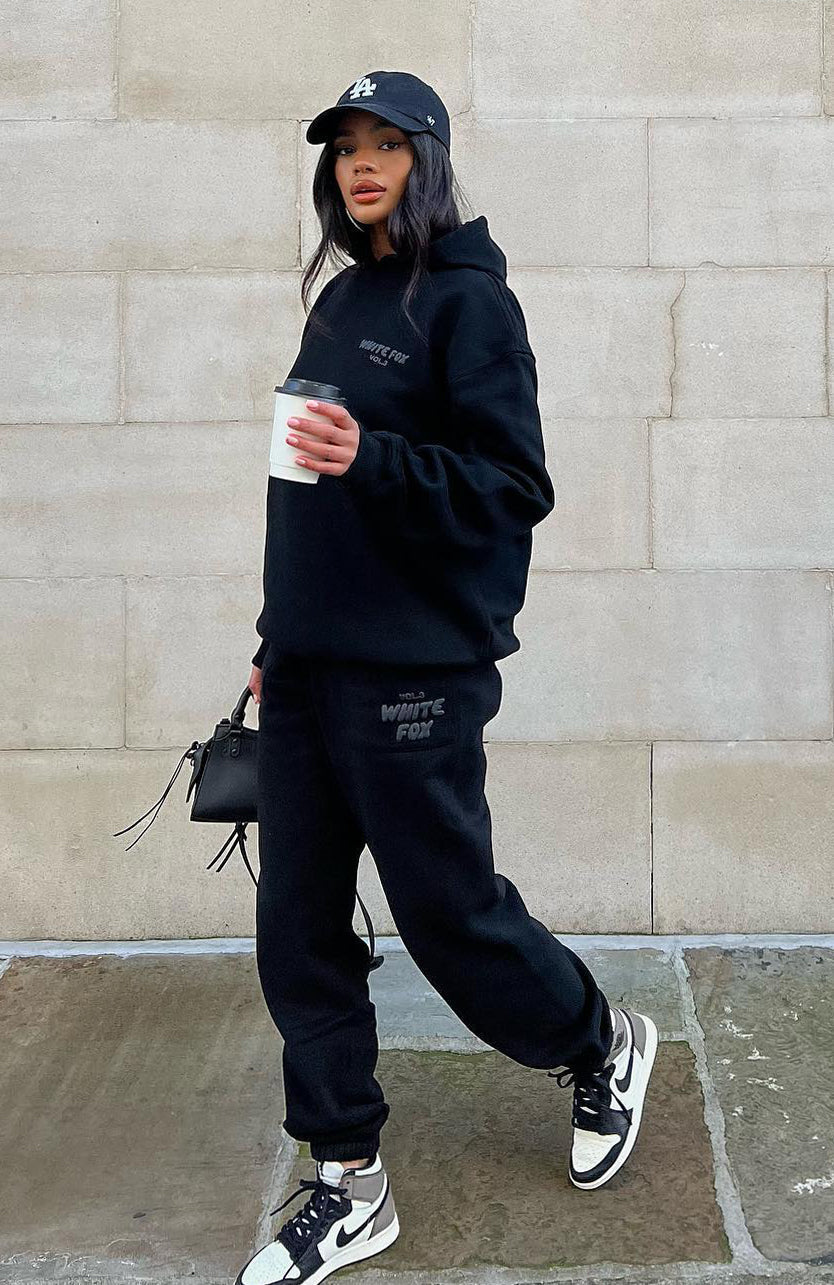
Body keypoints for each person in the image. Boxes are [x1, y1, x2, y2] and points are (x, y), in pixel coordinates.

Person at [236, 71, 658, 1285]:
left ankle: (597, 1042)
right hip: (311, 665)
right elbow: (301, 498)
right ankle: (347, 1180)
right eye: (345, 148)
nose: (362, 165)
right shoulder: (341, 299)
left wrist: (375, 457)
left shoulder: (472, 305)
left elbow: (515, 487)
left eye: (388, 144)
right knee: (296, 927)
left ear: (430, 159)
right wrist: (274, 639)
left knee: (446, 915)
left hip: (416, 671)